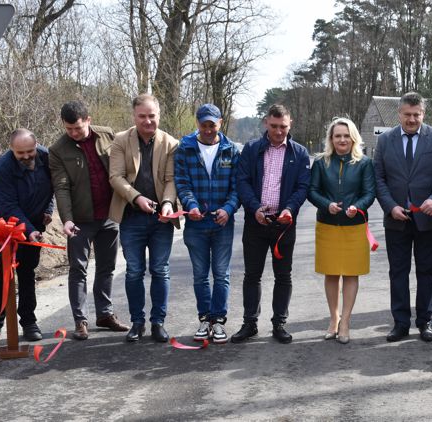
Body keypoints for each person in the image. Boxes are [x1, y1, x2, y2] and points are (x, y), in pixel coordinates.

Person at [49, 101, 130, 340]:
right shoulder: (58, 150)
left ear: (88, 120)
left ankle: (105, 314)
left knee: (107, 267)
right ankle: (80, 320)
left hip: (109, 215)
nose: (74, 133)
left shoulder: (108, 135)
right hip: (80, 220)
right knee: (78, 270)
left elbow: (121, 168)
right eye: (69, 129)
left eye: (78, 128)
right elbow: (61, 188)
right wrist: (67, 220)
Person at [374, 91, 432, 342]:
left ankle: (425, 322)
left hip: (428, 219)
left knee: (427, 272)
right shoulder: (385, 140)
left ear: (423, 114)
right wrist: (389, 206)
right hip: (396, 219)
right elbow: (379, 178)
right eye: (407, 115)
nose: (411, 119)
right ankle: (400, 323)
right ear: (399, 114)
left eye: (416, 115)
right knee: (398, 272)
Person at [232, 104, 310, 344]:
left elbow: (302, 187)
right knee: (252, 275)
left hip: (284, 223)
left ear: (290, 124)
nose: (278, 131)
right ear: (266, 123)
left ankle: (279, 323)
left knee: (283, 276)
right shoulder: (252, 149)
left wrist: (289, 209)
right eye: (274, 126)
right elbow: (242, 181)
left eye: (283, 127)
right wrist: (254, 208)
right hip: (256, 223)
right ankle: (250, 323)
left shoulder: (300, 153)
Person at [109, 94, 179, 342]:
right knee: (134, 271)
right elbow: (115, 177)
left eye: (152, 116)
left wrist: (169, 203)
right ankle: (137, 323)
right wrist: (136, 197)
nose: (148, 121)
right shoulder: (119, 141)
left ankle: (158, 322)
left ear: (158, 115)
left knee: (160, 270)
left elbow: (172, 180)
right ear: (134, 116)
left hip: (161, 219)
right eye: (142, 116)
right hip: (131, 217)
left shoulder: (171, 143)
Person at [175, 103, 240, 345]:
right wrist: (190, 205)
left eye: (212, 124)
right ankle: (205, 318)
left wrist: (228, 209)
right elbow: (182, 182)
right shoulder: (185, 148)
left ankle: (219, 321)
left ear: (220, 123)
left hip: (223, 223)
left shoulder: (231, 150)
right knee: (200, 275)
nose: (208, 129)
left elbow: (237, 187)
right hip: (196, 223)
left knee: (221, 274)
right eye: (204, 124)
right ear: (197, 123)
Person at [0, 129, 55, 345]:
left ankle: (29, 322)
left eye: (30, 151)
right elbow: (8, 205)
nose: (26, 156)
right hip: (6, 228)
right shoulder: (3, 167)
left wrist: (48, 210)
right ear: (12, 149)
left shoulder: (47, 158)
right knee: (3, 275)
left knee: (27, 273)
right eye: (20, 153)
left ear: (37, 145)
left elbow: (52, 188)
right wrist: (29, 228)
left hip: (34, 227)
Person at [308, 117, 376, 344]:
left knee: (350, 273)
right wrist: (327, 205)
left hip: (354, 226)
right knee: (331, 272)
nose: (342, 140)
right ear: (331, 139)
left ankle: (345, 321)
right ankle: (333, 319)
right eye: (337, 136)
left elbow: (369, 192)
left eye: (346, 136)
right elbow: (312, 191)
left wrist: (358, 206)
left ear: (353, 138)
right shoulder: (320, 162)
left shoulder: (364, 163)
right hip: (327, 225)